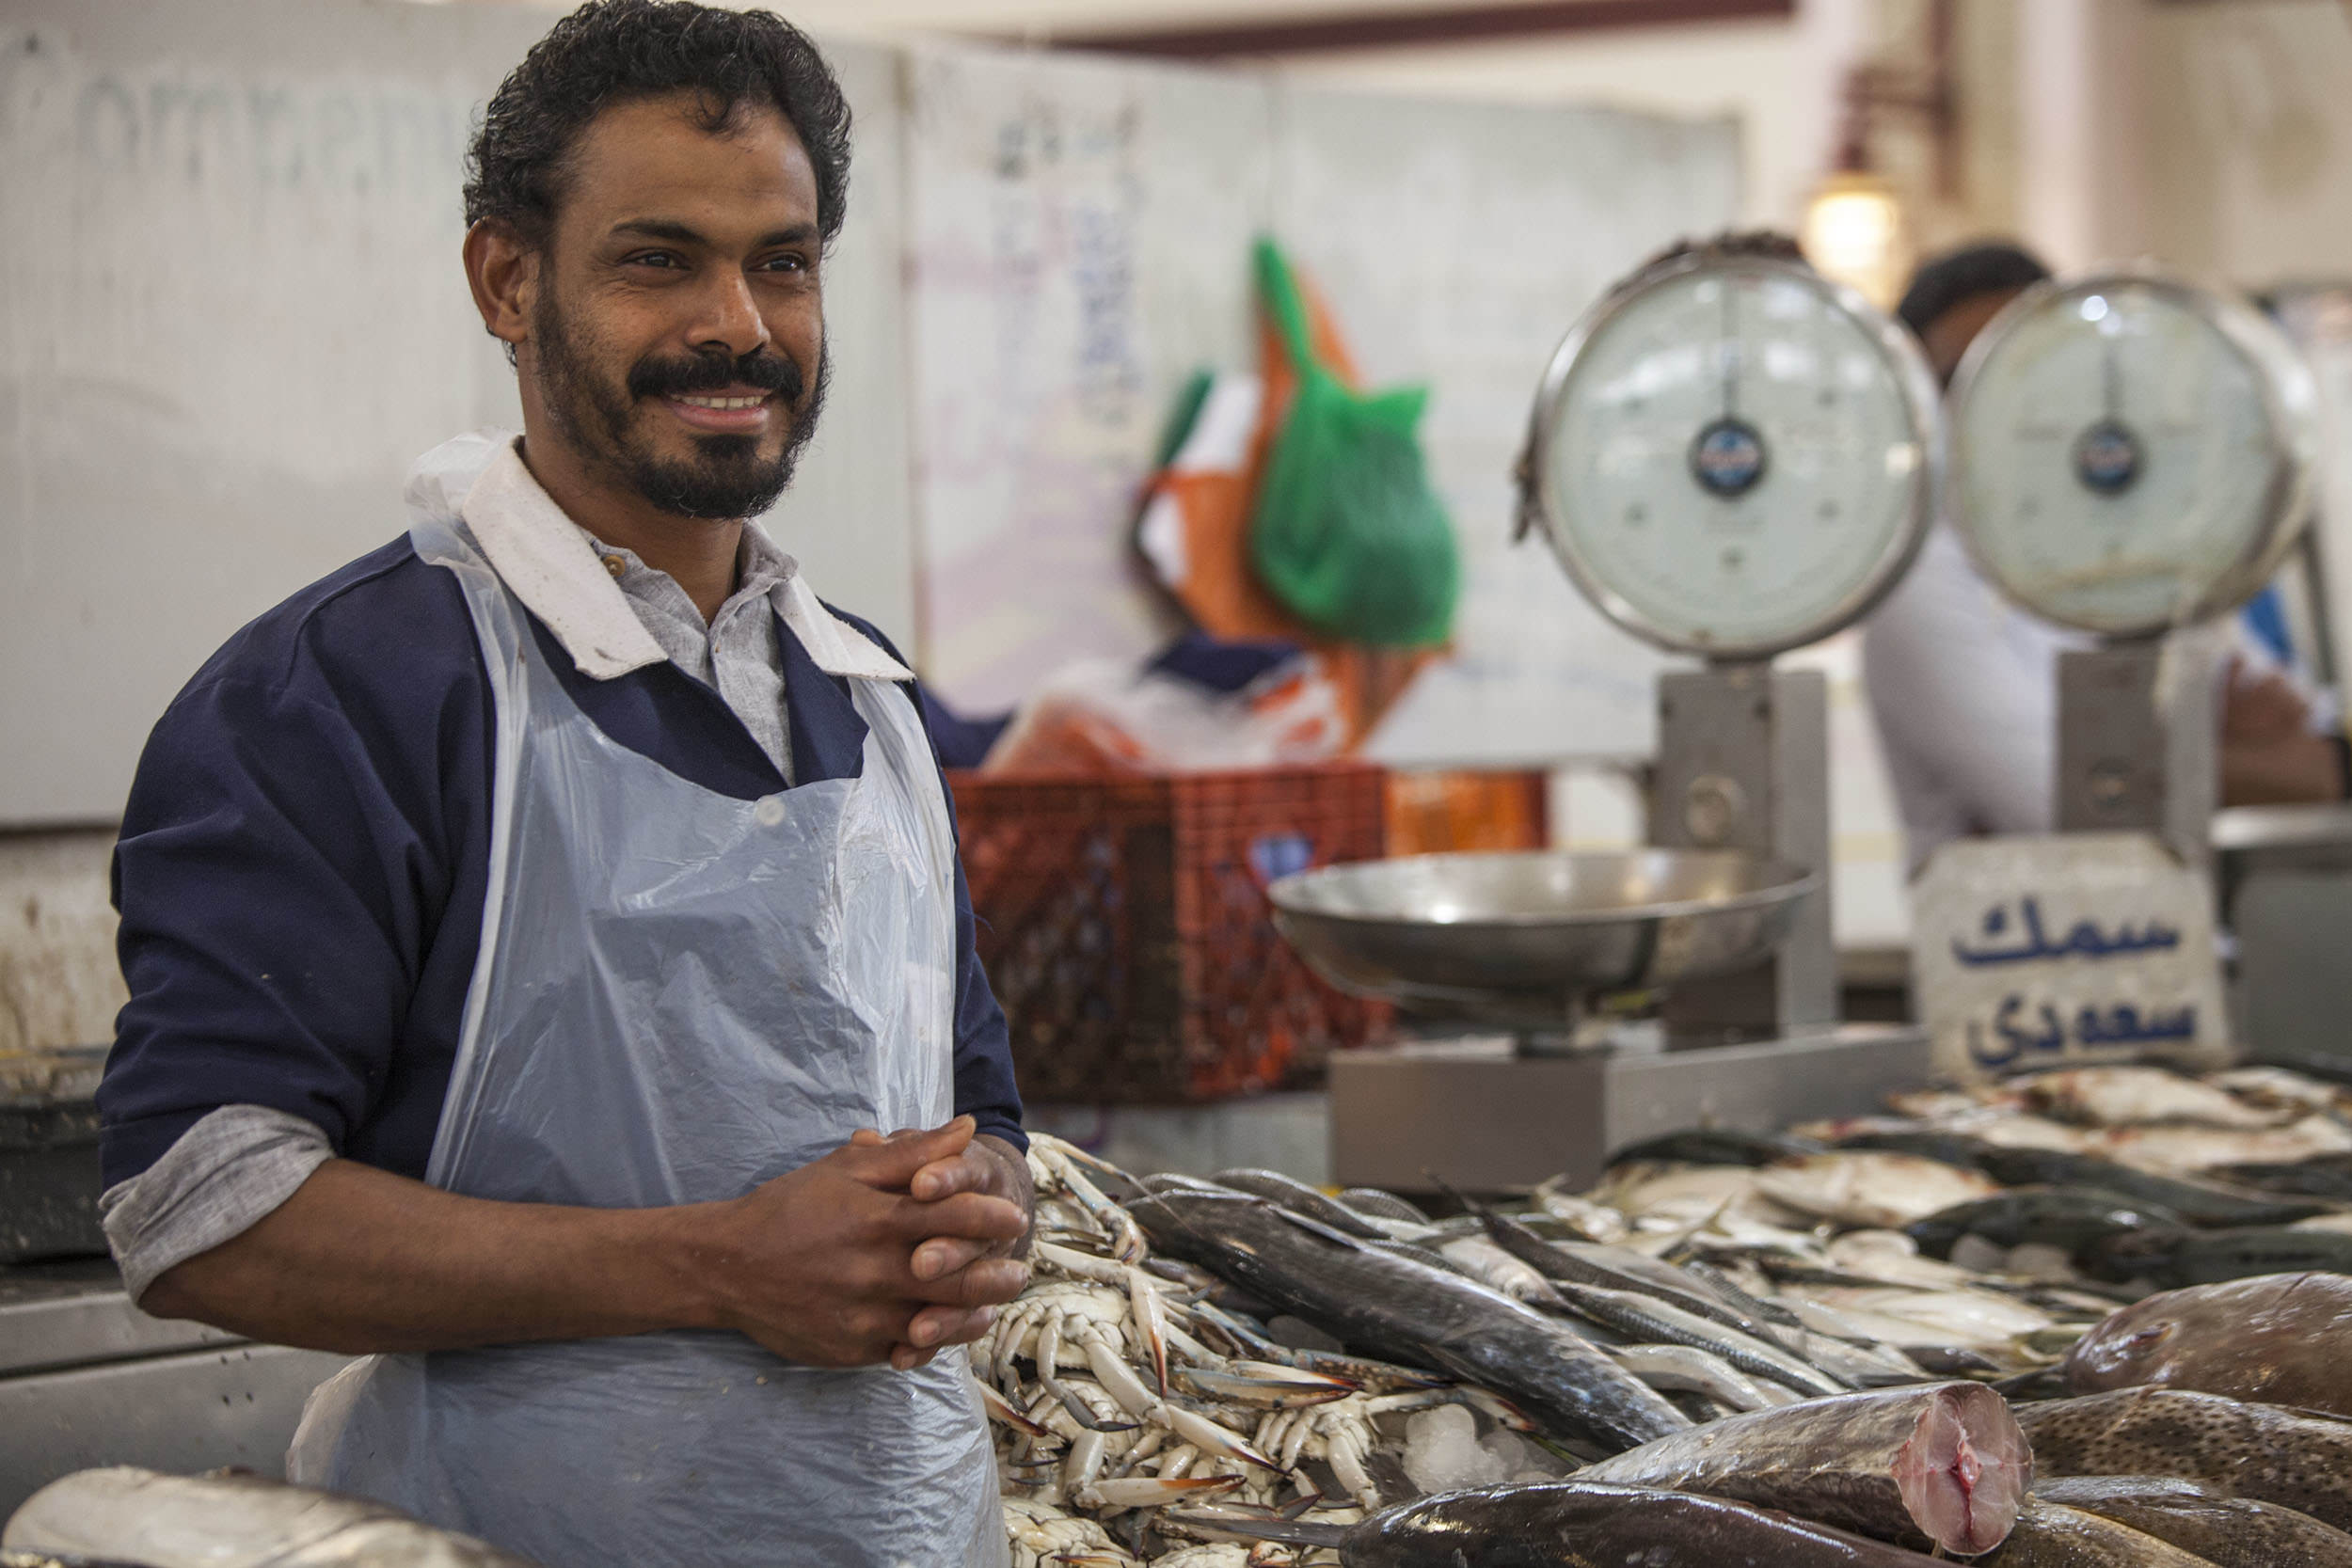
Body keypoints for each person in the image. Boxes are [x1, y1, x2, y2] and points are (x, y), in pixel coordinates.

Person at [93, 6, 1030, 1562]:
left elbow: (979, 1111)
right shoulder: (349, 691)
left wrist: (963, 1209)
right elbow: (199, 1204)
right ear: (508, 281)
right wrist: (719, 1266)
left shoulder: (870, 700)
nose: (739, 323)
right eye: (658, 259)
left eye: (783, 263)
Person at [1862, 241, 2347, 874]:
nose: (1995, 401)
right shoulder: (1920, 581)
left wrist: (2128, 764)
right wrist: (2206, 744)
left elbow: (2323, 760)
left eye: (2022, 364)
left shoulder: (2147, 541)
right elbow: (2061, 803)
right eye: (1961, 379)